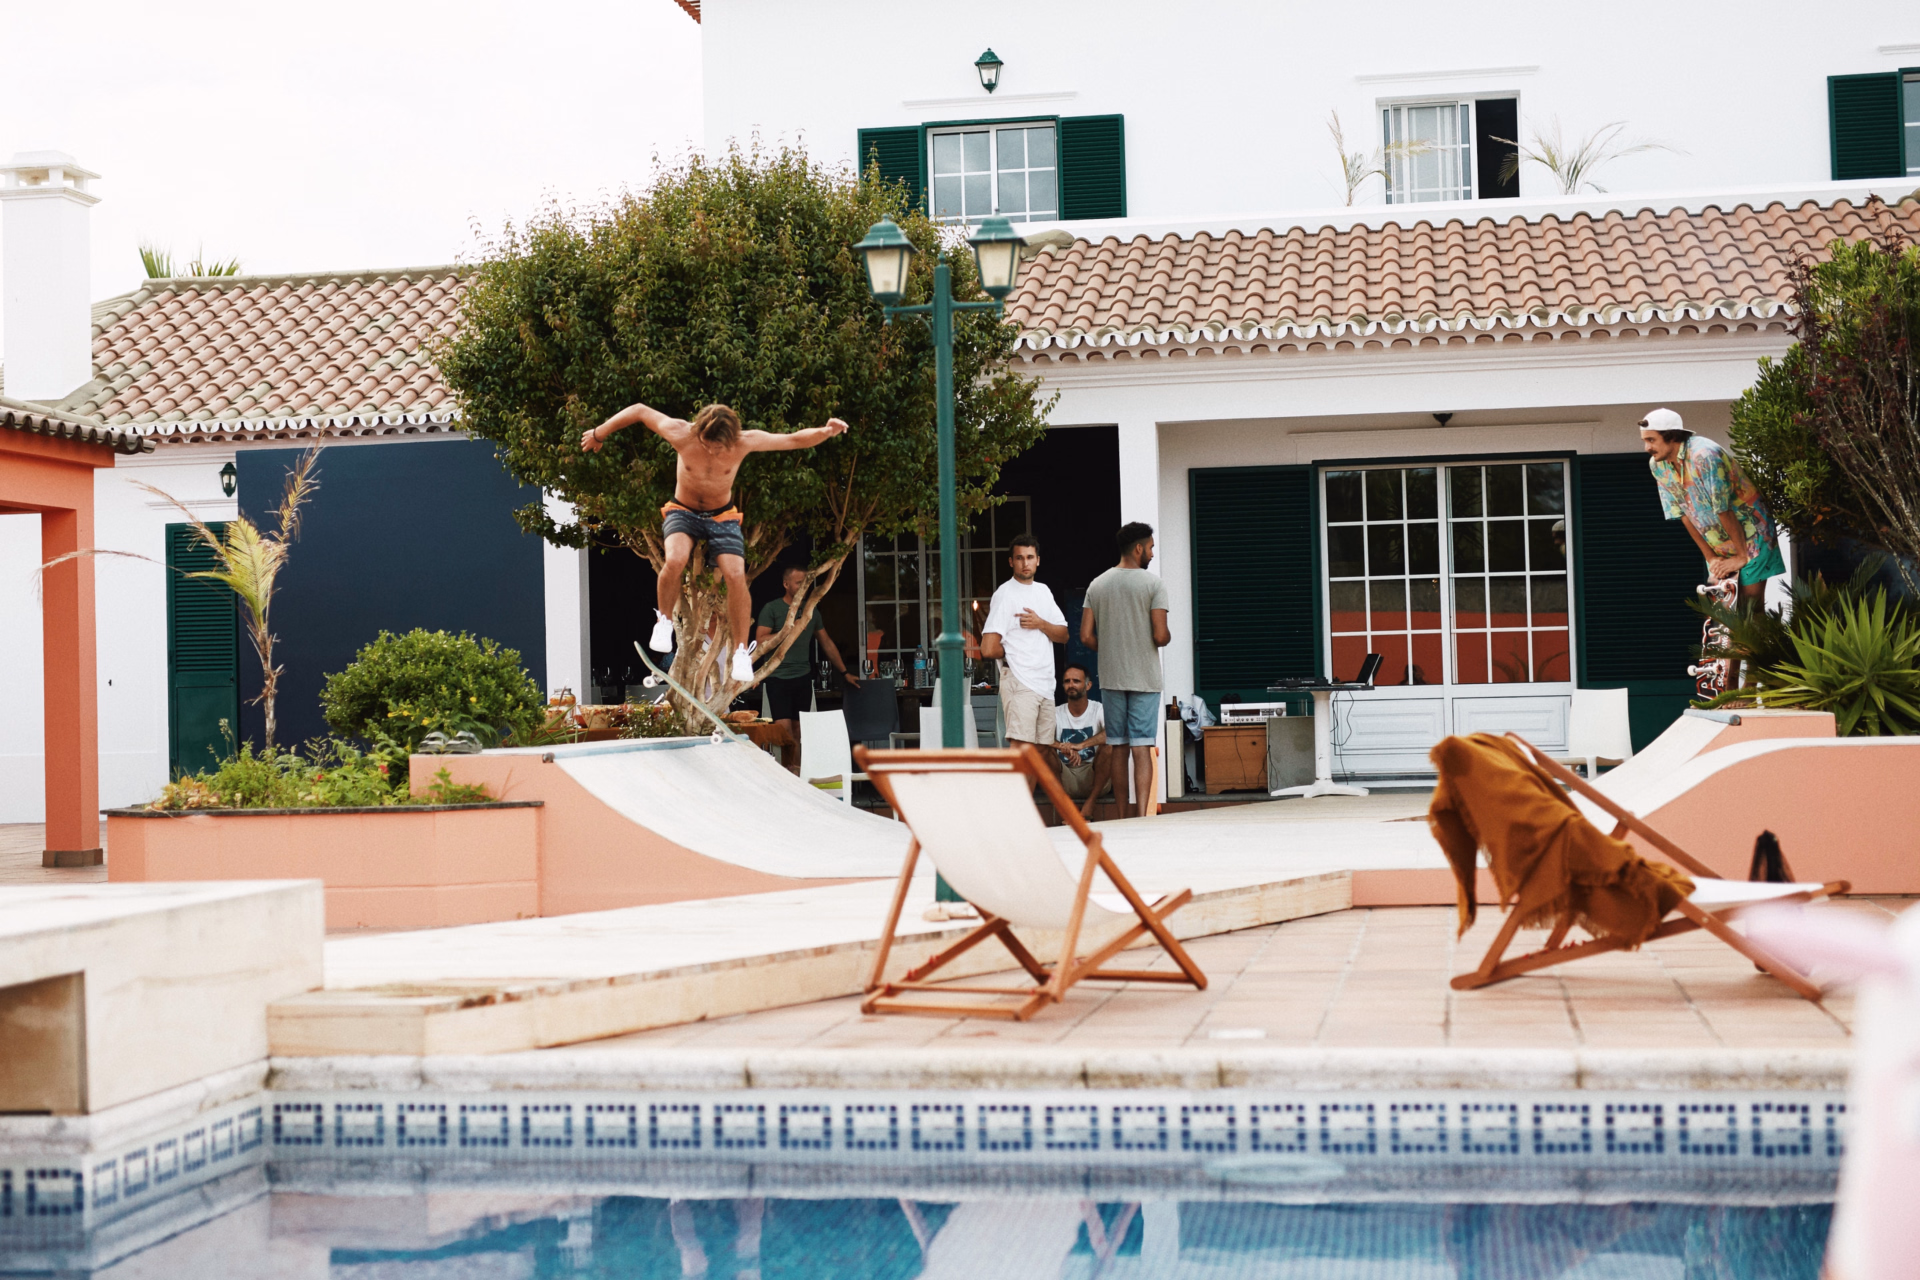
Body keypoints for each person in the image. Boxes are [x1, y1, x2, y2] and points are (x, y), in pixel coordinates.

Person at [581, 402, 849, 682]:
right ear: (699, 432)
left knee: (735, 575)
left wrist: (825, 431)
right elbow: (639, 410)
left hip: (722, 516)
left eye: (718, 447)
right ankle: (663, 622)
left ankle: (741, 652)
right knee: (675, 559)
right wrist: (599, 433)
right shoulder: (680, 432)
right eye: (707, 444)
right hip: (683, 511)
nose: (711, 451)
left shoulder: (744, 441)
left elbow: (792, 439)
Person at [1641, 407, 1784, 608]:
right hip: (1719, 542)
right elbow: (1683, 514)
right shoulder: (1658, 466)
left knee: (1751, 606)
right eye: (1645, 441)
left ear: (1671, 437)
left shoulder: (1705, 455)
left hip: (1752, 535)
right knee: (1727, 610)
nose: (1647, 447)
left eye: (1651, 440)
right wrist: (1711, 558)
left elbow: (1722, 508)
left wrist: (1741, 556)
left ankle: (1769, 639)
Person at [1080, 521, 1170, 819]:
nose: (1153, 554)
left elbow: (1085, 636)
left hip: (1112, 676)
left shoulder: (1097, 584)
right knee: (1142, 747)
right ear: (1139, 548)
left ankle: (1121, 816)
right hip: (1144, 678)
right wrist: (1167, 636)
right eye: (1151, 547)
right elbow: (1160, 636)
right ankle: (1143, 816)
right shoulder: (1153, 585)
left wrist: (1109, 650)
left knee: (1118, 747)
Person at [755, 565, 860, 767]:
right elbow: (760, 640)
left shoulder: (811, 611)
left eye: (806, 582)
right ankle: (789, 778)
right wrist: (788, 630)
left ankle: (797, 778)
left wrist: (844, 672)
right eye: (798, 582)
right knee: (783, 733)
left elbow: (826, 642)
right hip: (778, 678)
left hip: (803, 678)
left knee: (799, 732)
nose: (804, 586)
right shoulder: (772, 608)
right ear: (786, 585)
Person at [979, 533, 1068, 754]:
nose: (1025, 562)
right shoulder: (1005, 594)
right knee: (1022, 752)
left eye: (1030, 557)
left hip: (1045, 683)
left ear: (1038, 559)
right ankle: (1014, 791)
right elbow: (988, 648)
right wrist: (1013, 652)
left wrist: (1040, 623)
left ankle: (1026, 792)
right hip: (1020, 682)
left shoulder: (1043, 591)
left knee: (1041, 753)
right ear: (1011, 562)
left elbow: (1064, 635)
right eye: (1019, 558)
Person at [1051, 663, 1112, 818]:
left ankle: (1090, 803)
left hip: (1094, 776)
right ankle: (1064, 805)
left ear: (1088, 685)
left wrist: (1081, 745)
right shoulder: (1056, 712)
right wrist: (1063, 747)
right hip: (1064, 776)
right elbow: (1039, 738)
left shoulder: (1098, 709)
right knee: (1043, 750)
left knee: (1110, 746)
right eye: (1067, 681)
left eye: (1076, 681)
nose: (1071, 685)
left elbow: (1113, 733)